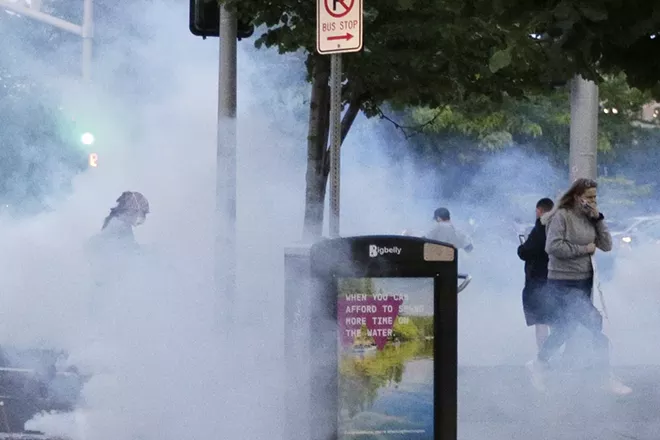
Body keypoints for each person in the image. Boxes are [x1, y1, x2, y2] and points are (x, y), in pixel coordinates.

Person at [526, 178, 631, 395]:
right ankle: (604, 376)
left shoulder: (590, 217)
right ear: (576, 197)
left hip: (584, 281)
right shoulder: (561, 216)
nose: (593, 201)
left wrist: (598, 219)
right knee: (594, 322)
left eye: (595, 197)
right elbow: (552, 246)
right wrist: (583, 249)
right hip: (562, 282)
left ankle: (540, 363)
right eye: (589, 197)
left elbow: (607, 245)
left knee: (566, 327)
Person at [517, 198, 554, 351]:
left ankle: (544, 355)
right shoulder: (559, 226)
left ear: (539, 211)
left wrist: (521, 248)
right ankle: (558, 354)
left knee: (541, 321)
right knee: (556, 320)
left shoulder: (540, 228)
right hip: (557, 279)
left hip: (539, 280)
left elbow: (527, 251)